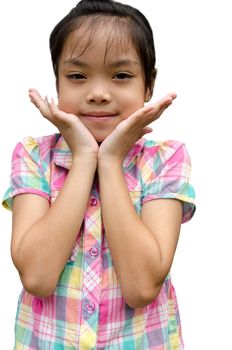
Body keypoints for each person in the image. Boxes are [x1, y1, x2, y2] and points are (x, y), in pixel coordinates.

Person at [2, 0, 196, 348]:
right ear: (58, 84)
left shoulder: (166, 159)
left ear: (148, 86)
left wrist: (109, 163)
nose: (98, 94)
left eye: (121, 75)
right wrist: (83, 157)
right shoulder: (32, 155)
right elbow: (37, 276)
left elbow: (141, 287)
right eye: (77, 76)